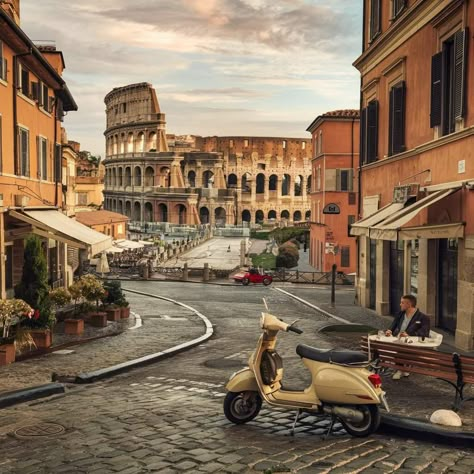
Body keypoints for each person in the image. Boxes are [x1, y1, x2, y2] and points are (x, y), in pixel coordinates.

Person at [385, 294, 430, 380]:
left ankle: (400, 369)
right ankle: (404, 368)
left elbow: (424, 332)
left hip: (412, 343)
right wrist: (389, 331)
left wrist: (408, 335)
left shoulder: (423, 317)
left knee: (399, 347)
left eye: (402, 303)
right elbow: (392, 326)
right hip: (399, 340)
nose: (400, 304)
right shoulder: (400, 314)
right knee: (395, 345)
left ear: (409, 304)